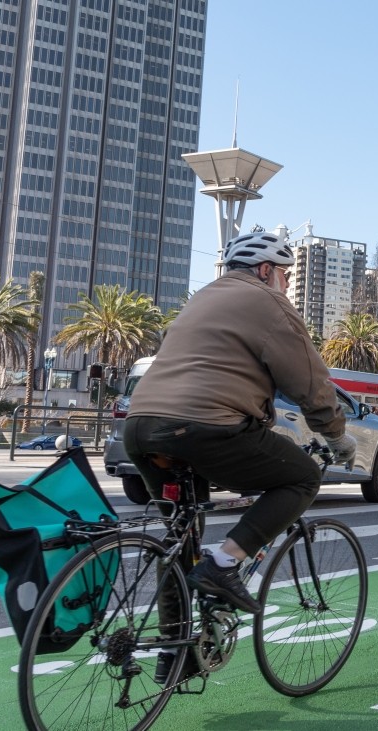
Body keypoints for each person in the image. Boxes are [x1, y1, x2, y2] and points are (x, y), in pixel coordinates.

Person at [124, 230, 356, 625]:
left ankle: (173, 654)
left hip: (140, 428)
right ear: (266, 270)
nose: (286, 284)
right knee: (300, 477)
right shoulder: (269, 303)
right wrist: (336, 436)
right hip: (204, 426)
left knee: (180, 539)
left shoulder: (201, 299)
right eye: (285, 275)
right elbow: (310, 382)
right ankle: (224, 563)